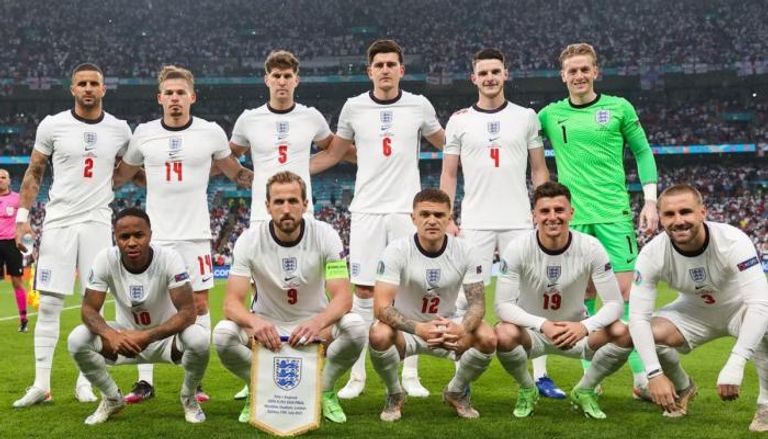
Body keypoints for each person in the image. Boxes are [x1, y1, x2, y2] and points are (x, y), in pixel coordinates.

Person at [310, 39, 445, 399]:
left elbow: (448, 144)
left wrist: (470, 126)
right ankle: (357, 376)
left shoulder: (419, 105)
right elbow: (334, 154)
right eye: (379, 65)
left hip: (405, 211)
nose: (385, 70)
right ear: (369, 71)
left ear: (402, 69)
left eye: (391, 64)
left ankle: (410, 373)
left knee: (410, 291)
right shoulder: (354, 107)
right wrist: (292, 168)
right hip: (366, 210)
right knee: (364, 292)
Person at [114, 65, 253, 404]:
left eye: (181, 93)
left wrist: (273, 177)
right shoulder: (144, 134)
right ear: (159, 98)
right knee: (143, 304)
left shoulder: (211, 132)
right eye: (169, 93)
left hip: (195, 235)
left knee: (200, 304)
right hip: (154, 237)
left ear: (192, 97)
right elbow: (121, 176)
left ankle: (196, 379)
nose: (175, 98)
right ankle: (144, 382)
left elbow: (236, 173)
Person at [538, 43, 658, 396]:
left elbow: (643, 151)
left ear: (595, 71)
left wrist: (650, 201)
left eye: (584, 69)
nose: (579, 75)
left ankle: (641, 377)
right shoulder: (549, 114)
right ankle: (591, 376)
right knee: (583, 297)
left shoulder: (619, 107)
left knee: (626, 295)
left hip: (614, 214)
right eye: (572, 71)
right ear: (563, 76)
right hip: (573, 219)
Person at [439, 48, 556, 397]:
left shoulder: (526, 117)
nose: (489, 78)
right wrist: (447, 215)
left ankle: (540, 376)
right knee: (465, 299)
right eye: (483, 73)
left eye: (495, 71)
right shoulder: (459, 120)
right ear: (473, 78)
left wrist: (542, 210)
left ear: (506, 74)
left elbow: (539, 169)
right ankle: (461, 374)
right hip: (475, 221)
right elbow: (449, 173)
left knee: (529, 299)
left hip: (518, 220)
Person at [13, 63, 132, 407]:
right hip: (59, 222)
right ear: (73, 89)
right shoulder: (53, 125)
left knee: (93, 304)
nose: (88, 88)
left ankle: (85, 382)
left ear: (104, 89)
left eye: (94, 83)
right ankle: (41, 384)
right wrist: (22, 218)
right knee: (50, 303)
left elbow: (133, 166)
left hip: (97, 223)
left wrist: (111, 184)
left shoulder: (119, 129)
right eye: (82, 83)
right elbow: (35, 171)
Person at [213, 171, 367, 424]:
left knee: (356, 327)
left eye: (293, 201)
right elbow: (231, 303)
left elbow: (343, 297)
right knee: (222, 334)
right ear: (267, 206)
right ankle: (256, 389)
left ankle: (325, 390)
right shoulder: (249, 240)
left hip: (315, 326)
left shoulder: (325, 234)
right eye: (279, 202)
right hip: (267, 327)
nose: (286, 209)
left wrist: (318, 322)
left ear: (305, 204)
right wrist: (255, 322)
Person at [227, 50, 338, 400]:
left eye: (287, 76)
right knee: (261, 292)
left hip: (302, 212)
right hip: (263, 214)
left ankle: (313, 361)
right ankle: (259, 371)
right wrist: (247, 177)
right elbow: (229, 155)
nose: (281, 81)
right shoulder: (249, 119)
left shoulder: (311, 116)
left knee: (309, 282)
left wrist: (307, 169)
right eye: (276, 75)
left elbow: (333, 149)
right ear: (267, 79)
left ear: (296, 80)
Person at [628, 184, 768, 432]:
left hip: (739, 309)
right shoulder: (651, 254)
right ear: (660, 218)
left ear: (703, 212)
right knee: (644, 333)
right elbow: (638, 317)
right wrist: (654, 374)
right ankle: (684, 388)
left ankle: (766, 404)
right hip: (693, 313)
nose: (678, 220)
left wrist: (736, 362)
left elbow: (760, 303)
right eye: (669, 214)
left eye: (685, 212)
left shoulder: (733, 240)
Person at [494, 181, 632, 419]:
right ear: (534, 215)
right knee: (503, 333)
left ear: (571, 213)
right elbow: (502, 305)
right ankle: (527, 388)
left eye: (559, 210)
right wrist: (542, 324)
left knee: (623, 332)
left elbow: (615, 304)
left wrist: (584, 327)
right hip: (533, 334)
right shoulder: (518, 247)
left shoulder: (591, 247)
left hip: (576, 331)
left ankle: (585, 389)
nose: (552, 217)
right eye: (545, 211)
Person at [67, 207, 209, 424]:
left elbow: (188, 312)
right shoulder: (105, 259)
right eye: (124, 237)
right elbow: (88, 310)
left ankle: (189, 398)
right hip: (124, 340)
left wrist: (147, 336)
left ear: (150, 235)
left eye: (139, 235)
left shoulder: (169, 258)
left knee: (199, 338)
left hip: (166, 341)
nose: (132, 242)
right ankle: (112, 398)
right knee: (77, 339)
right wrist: (111, 335)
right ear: (115, 238)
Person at [369, 188, 496, 421]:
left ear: (449, 218)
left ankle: (456, 391)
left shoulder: (466, 251)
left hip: (447, 325)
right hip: (407, 330)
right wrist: (419, 328)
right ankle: (395, 393)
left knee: (488, 337)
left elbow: (477, 305)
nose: (432, 220)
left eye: (439, 215)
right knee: (378, 334)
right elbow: (381, 307)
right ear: (413, 218)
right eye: (425, 214)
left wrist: (461, 328)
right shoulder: (397, 250)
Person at [0, 169, 28, 332]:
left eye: (3, 177)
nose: (0, 180)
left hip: (12, 243)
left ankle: (23, 320)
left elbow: (24, 222)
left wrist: (25, 240)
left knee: (17, 282)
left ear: (9, 181)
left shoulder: (17, 199)